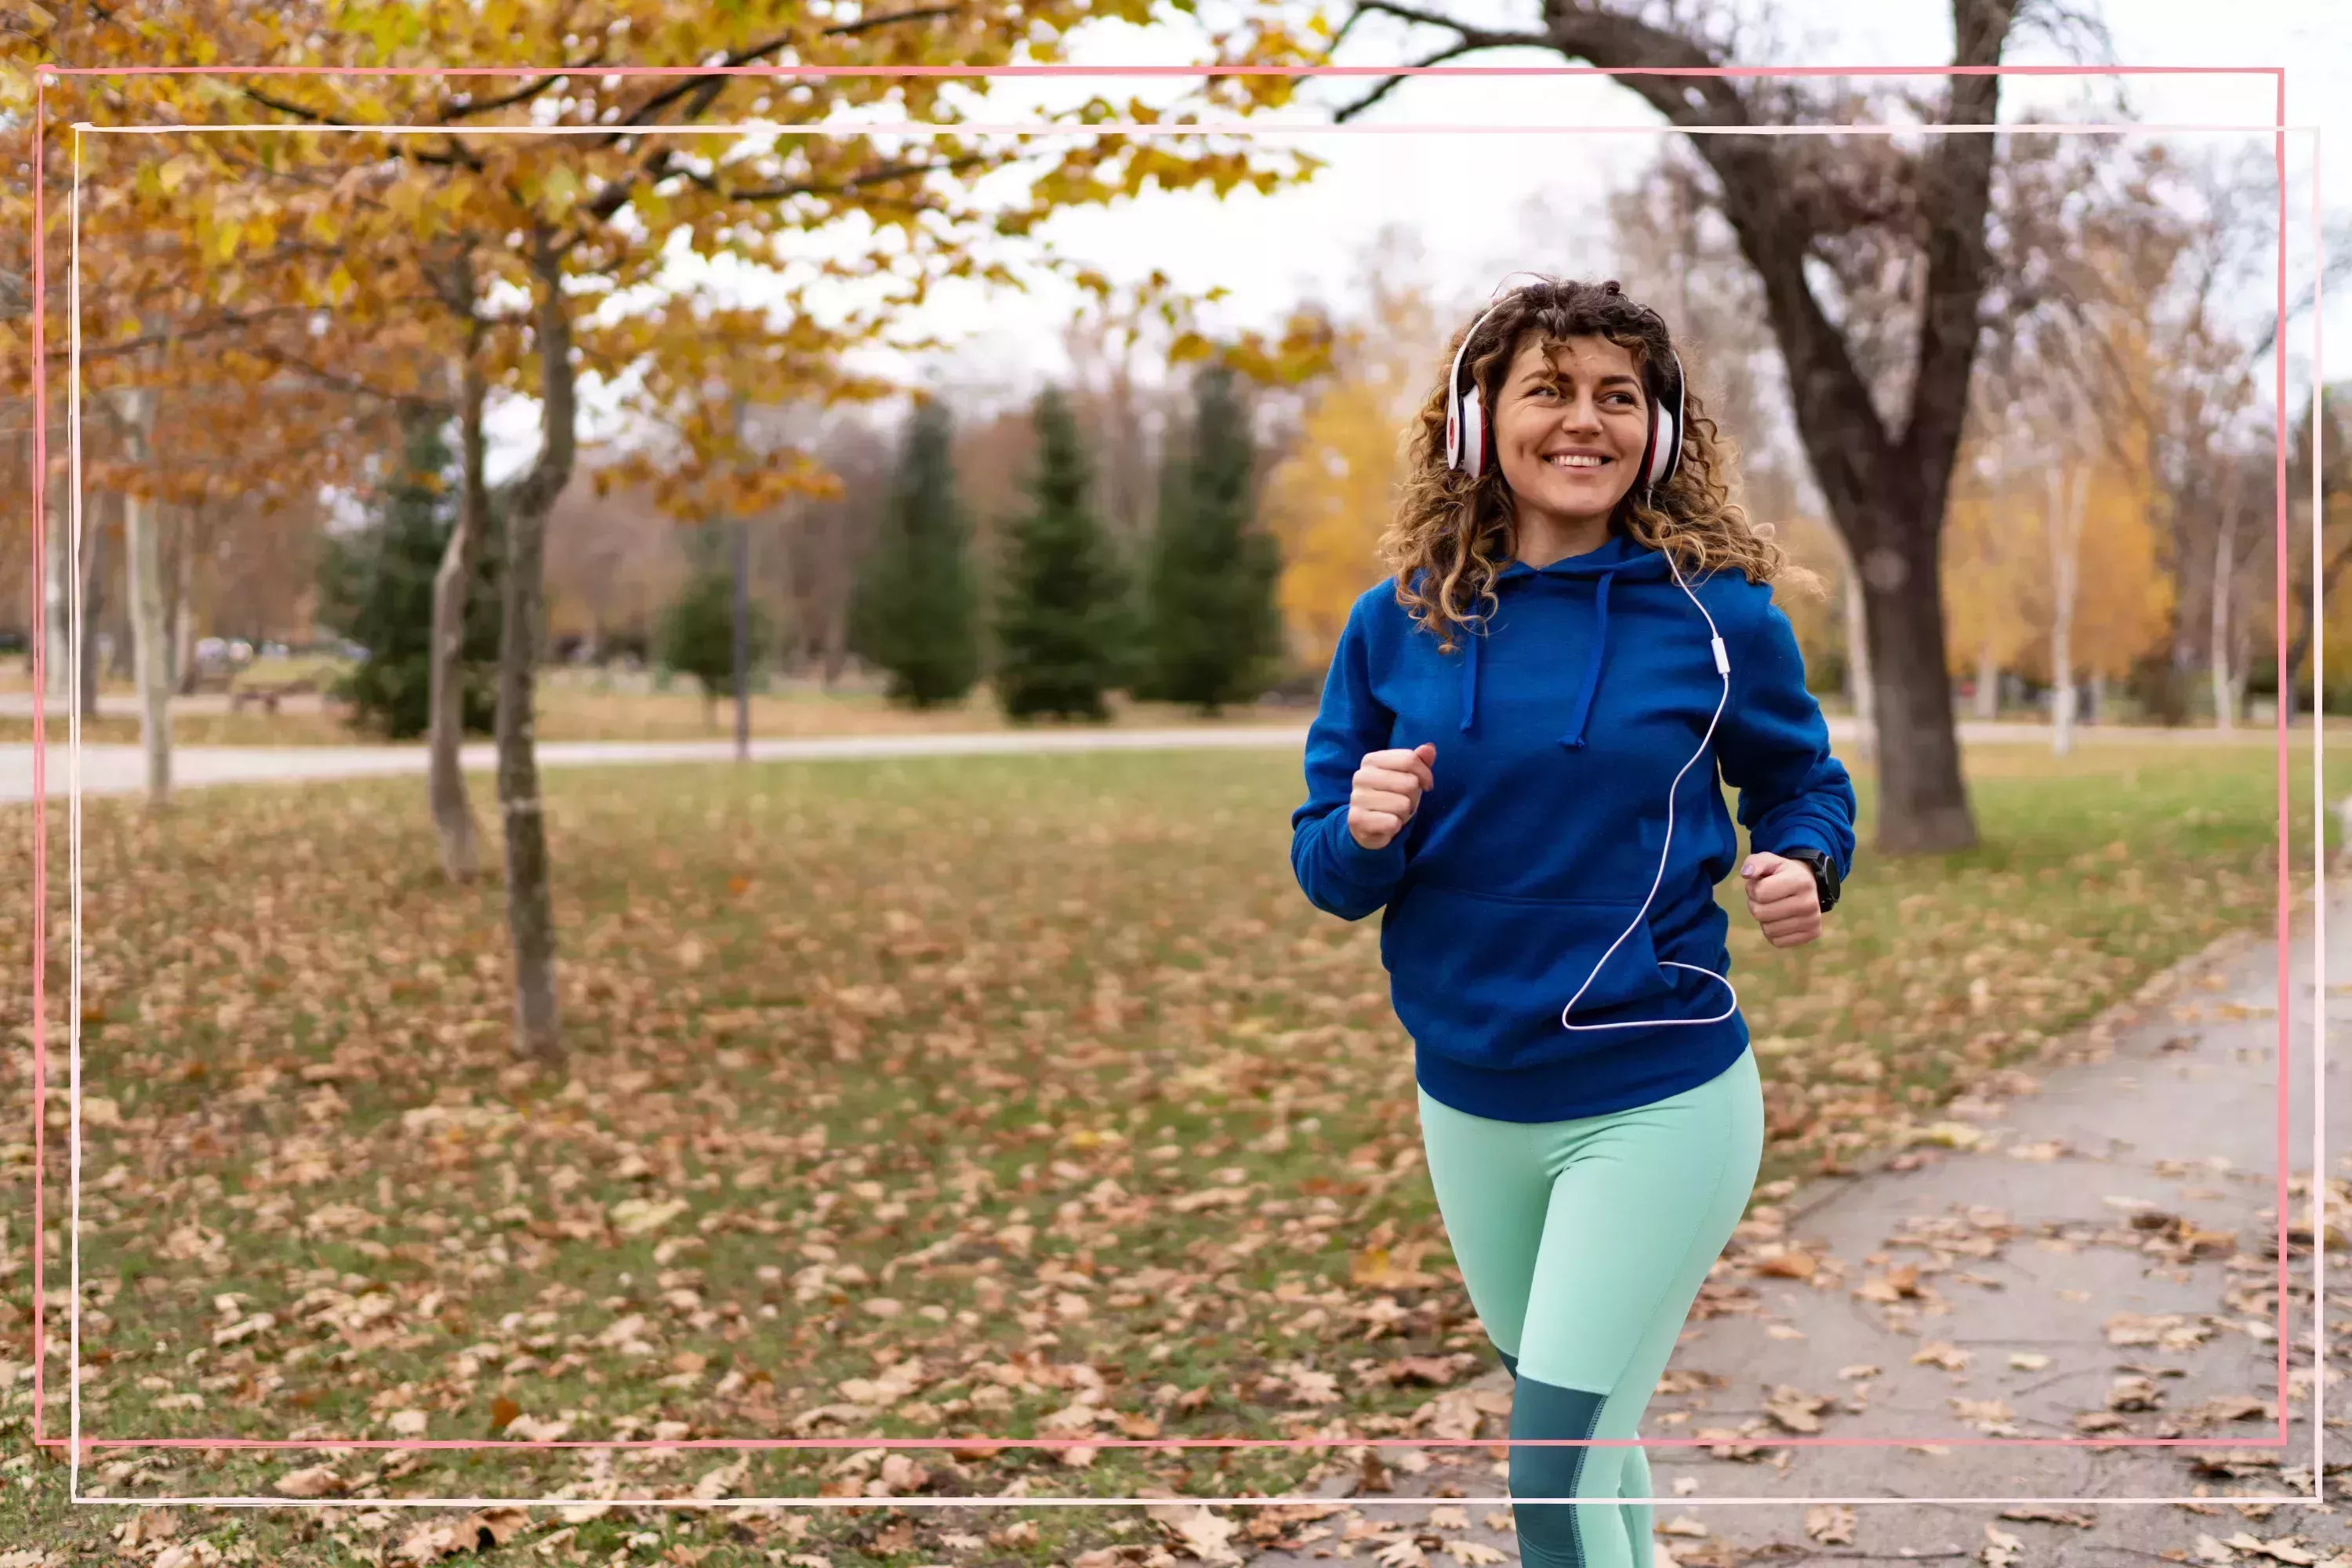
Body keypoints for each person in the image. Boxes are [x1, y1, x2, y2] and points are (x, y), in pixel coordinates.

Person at [1288, 277, 1857, 1568]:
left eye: (1619, 395)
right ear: (1476, 420)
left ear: (1656, 432)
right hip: (1471, 1102)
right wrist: (1364, 827)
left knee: (1548, 1479)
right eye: (1549, 389)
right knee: (1598, 1451)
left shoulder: (1718, 616)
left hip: (1655, 1096)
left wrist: (1805, 861)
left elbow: (1802, 780)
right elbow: (1327, 872)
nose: (1584, 420)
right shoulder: (1398, 623)